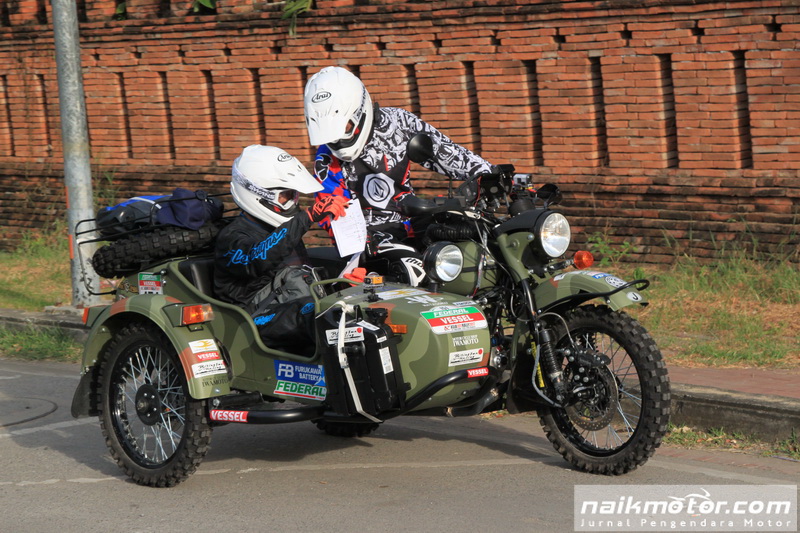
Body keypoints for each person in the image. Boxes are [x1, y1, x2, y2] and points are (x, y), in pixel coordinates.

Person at [303, 65, 494, 285]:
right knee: (417, 273)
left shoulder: (398, 122)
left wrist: (490, 174)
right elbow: (333, 212)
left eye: (343, 126)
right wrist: (363, 246)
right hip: (369, 241)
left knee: (476, 247)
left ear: (359, 110)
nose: (336, 139)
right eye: (329, 132)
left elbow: (447, 152)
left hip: (414, 220)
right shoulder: (326, 158)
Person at [214, 144, 349, 353]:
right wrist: (308, 217)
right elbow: (258, 259)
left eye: (294, 195)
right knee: (321, 314)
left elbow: (299, 278)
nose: (293, 203)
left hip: (293, 305)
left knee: (357, 306)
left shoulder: (281, 229)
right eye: (285, 196)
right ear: (258, 194)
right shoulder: (232, 237)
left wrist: (345, 282)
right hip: (252, 320)